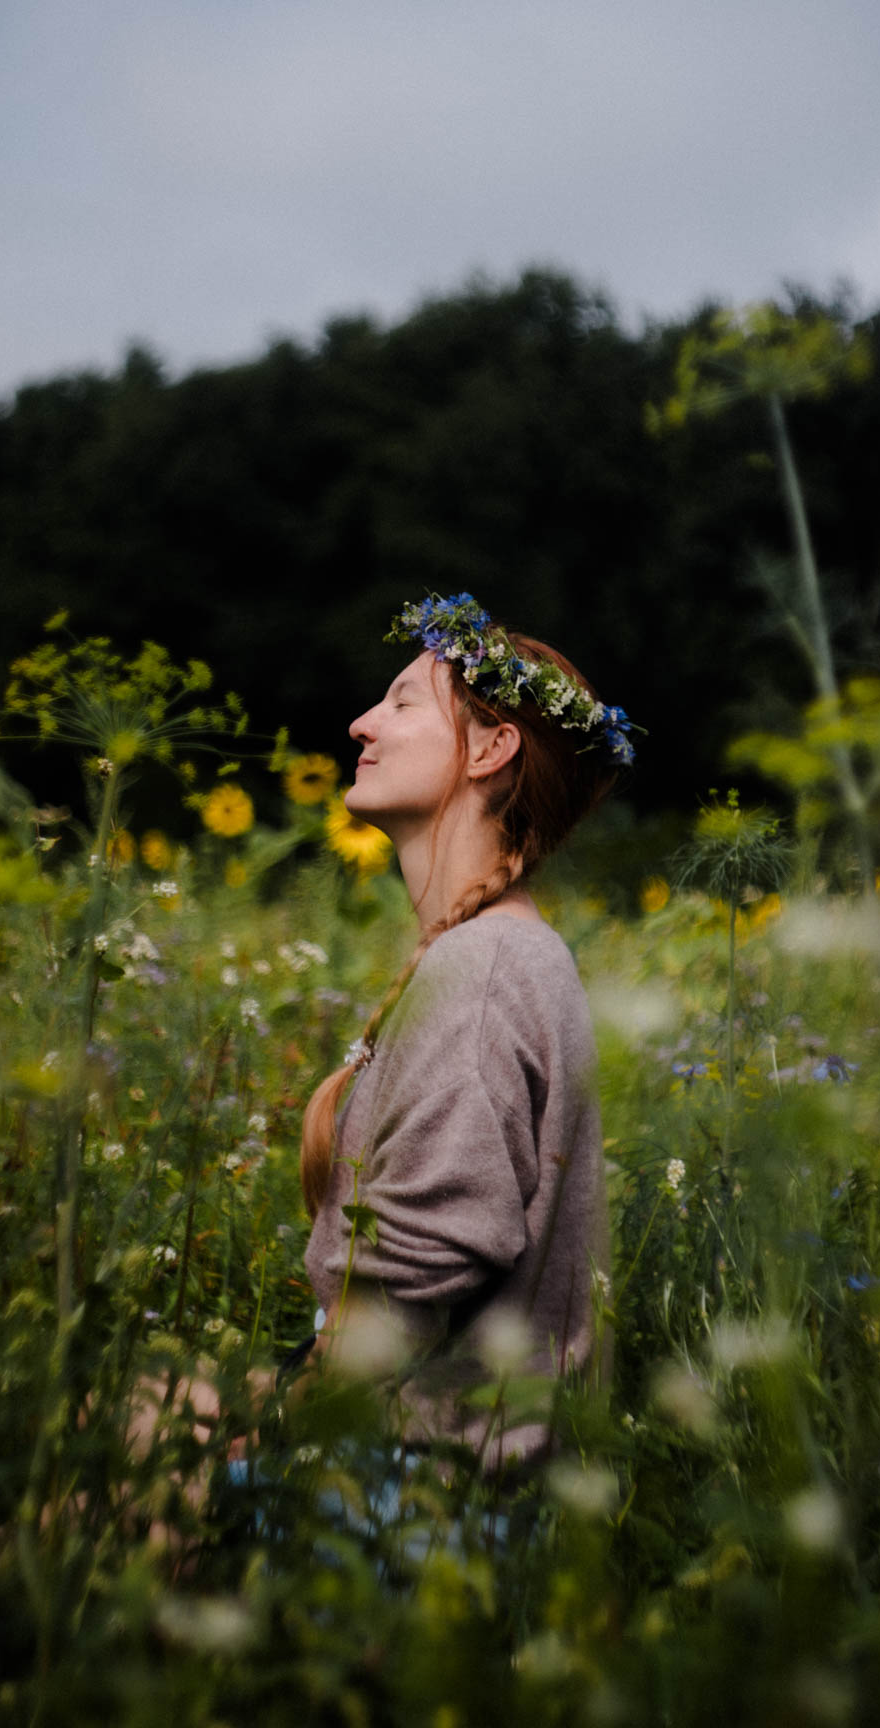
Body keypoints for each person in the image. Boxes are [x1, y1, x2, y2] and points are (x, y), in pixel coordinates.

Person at [301, 591, 635, 1472]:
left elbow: (412, 1287)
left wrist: (278, 1418)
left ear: (491, 749)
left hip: (424, 1488)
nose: (361, 722)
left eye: (404, 701)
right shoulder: (500, 951)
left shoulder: (482, 972)